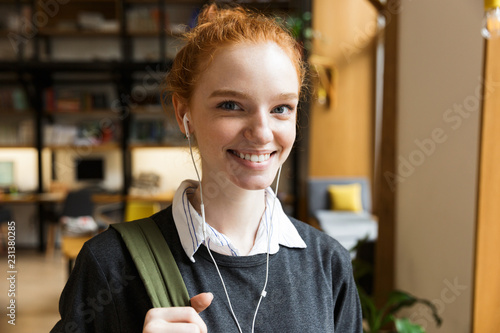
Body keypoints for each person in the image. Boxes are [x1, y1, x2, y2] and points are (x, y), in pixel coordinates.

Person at [52, 4, 362, 333]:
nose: (261, 132)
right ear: (184, 113)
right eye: (231, 105)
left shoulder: (329, 264)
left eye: (281, 108)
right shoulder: (110, 264)